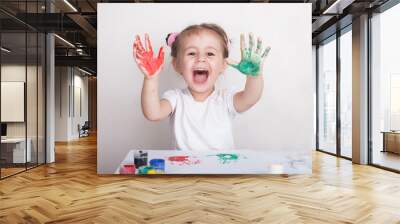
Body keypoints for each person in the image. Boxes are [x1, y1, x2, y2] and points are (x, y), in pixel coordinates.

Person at [133, 23, 270, 151]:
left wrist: (254, 76)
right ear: (176, 64)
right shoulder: (175, 98)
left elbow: (250, 98)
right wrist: (150, 78)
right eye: (192, 53)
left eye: (210, 53)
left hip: (221, 171)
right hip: (184, 172)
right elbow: (153, 113)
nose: (201, 59)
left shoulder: (226, 98)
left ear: (223, 64)